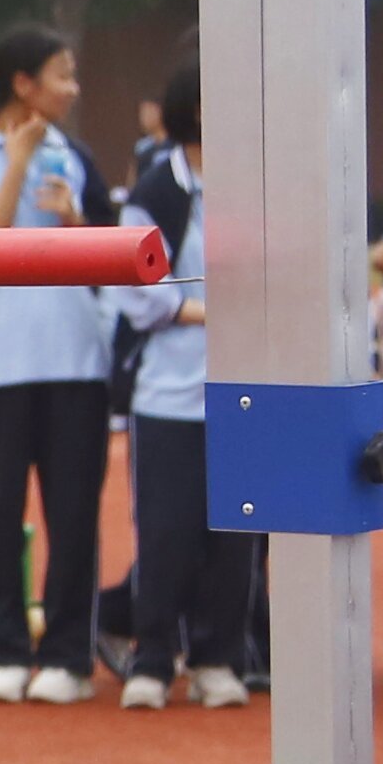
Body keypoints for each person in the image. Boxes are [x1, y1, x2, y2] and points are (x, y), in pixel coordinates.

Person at [0, 26, 114, 703]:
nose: (73, 88)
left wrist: (75, 225)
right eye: (62, 75)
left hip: (74, 362)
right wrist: (17, 163)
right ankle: (5, 650)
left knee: (73, 517)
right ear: (22, 84)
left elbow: (116, 258)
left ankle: (68, 656)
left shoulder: (80, 158)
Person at [115, 60, 252, 709]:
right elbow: (140, 299)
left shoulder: (258, 187)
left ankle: (218, 656)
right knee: (166, 532)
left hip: (246, 390)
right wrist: (218, 309)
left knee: (235, 536)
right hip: (169, 393)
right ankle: (150, 657)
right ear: (199, 111)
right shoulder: (155, 191)